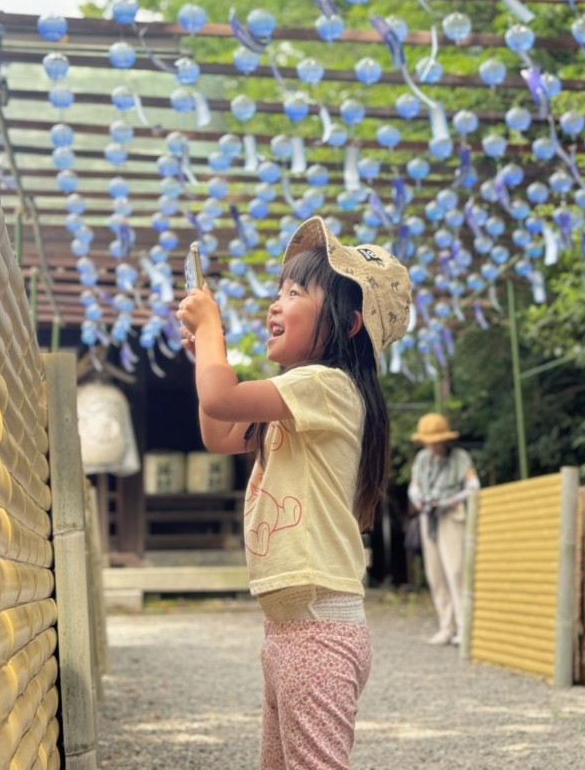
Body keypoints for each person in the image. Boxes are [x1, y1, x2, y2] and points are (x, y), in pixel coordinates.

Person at [176, 215, 411, 770]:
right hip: (288, 627)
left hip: (317, 629)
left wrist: (211, 333)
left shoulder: (327, 386)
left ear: (347, 325)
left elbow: (221, 399)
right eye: (279, 292)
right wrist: (205, 353)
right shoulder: (299, 397)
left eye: (295, 293)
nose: (275, 305)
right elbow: (219, 432)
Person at [407, 412, 480, 646]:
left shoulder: (459, 457)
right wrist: (419, 500)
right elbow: (413, 487)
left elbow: (473, 486)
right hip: (428, 517)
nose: (433, 445)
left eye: (436, 441)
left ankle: (464, 627)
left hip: (451, 516)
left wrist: (449, 501)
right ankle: (446, 625)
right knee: (435, 573)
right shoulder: (422, 458)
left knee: (456, 571)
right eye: (428, 441)